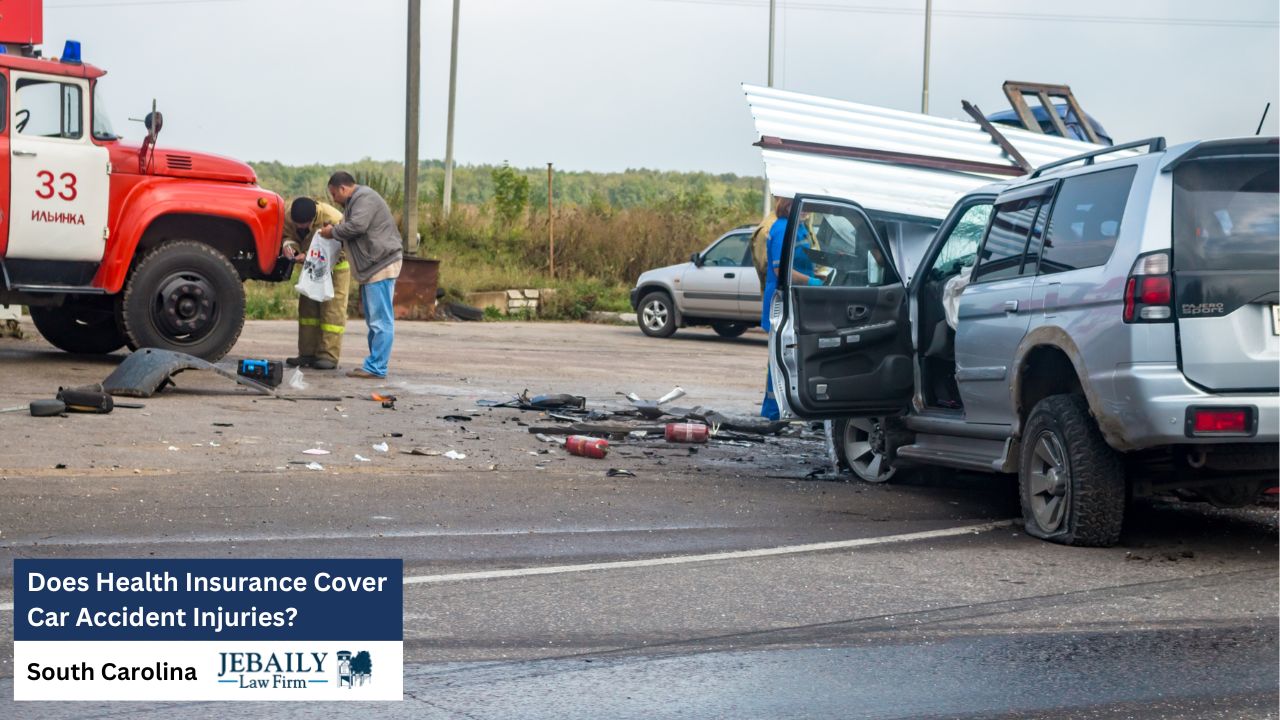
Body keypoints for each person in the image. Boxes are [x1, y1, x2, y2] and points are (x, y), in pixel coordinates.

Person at [318, 171, 404, 379]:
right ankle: (373, 364)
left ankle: (377, 367)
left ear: (343, 188)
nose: (333, 200)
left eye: (333, 194)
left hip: (380, 265)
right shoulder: (355, 203)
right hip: (372, 267)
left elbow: (357, 226)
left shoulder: (364, 198)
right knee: (374, 320)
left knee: (380, 320)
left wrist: (333, 232)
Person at [760, 196, 823, 420]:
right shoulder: (781, 229)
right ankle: (772, 412)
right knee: (780, 356)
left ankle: (788, 408)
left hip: (796, 297)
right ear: (790, 205)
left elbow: (803, 260)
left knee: (792, 355)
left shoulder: (799, 228)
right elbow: (781, 271)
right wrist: (812, 282)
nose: (809, 210)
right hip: (782, 299)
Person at [282, 198, 349, 370]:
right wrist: (290, 247)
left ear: (313, 219)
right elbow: (288, 236)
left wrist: (309, 255)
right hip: (311, 267)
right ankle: (307, 354)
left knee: (332, 312)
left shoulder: (333, 218)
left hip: (336, 267)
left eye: (305, 225)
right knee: (308, 311)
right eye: (298, 225)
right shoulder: (288, 216)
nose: (301, 228)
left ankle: (328, 356)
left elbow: (344, 247)